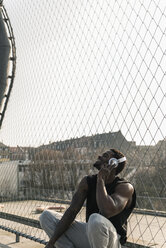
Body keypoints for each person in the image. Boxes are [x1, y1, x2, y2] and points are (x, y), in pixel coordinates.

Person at [40, 148, 136, 248]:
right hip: (91, 234)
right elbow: (72, 212)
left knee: (95, 219)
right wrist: (51, 242)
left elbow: (106, 211)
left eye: (105, 156)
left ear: (114, 163)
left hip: (112, 240)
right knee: (46, 216)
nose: (99, 156)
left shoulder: (125, 187)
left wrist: (100, 180)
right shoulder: (87, 181)